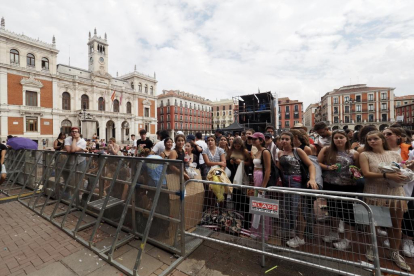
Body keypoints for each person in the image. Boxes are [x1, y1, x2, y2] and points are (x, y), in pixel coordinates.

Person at [360, 131, 410, 271]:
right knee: (373, 223)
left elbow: (403, 169)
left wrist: (405, 174)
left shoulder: (394, 154)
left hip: (395, 192)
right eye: (369, 139)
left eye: (375, 138)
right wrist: (387, 175)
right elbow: (366, 174)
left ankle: (394, 253)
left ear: (382, 140)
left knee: (396, 224)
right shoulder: (365, 155)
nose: (372, 141)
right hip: (374, 192)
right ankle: (372, 247)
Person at [318, 130, 359, 250]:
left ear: (346, 139)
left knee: (348, 213)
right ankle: (333, 232)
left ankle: (347, 239)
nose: (338, 140)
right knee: (332, 210)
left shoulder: (354, 153)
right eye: (336, 138)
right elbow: (318, 162)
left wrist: (355, 172)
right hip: (330, 184)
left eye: (341, 137)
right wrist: (328, 167)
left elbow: (358, 169)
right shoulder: (326, 150)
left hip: (348, 186)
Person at [278, 132, 317, 248]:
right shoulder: (280, 153)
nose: (284, 141)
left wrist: (313, 179)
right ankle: (293, 231)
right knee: (288, 208)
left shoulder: (298, 151)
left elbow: (311, 165)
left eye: (286, 139)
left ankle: (300, 237)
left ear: (291, 141)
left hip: (297, 182)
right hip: (286, 182)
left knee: (299, 209)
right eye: (282, 139)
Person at [249, 132, 273, 240]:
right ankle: (256, 229)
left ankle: (263, 232)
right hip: (256, 177)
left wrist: (263, 186)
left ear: (261, 140)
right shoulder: (258, 151)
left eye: (255, 139)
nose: (253, 141)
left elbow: (268, 169)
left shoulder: (265, 151)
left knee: (262, 204)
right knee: (257, 204)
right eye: (252, 139)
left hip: (261, 178)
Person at [226, 137, 251, 229]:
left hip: (242, 175)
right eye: (235, 145)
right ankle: (236, 217)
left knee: (243, 196)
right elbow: (227, 161)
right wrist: (231, 162)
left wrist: (242, 162)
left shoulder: (244, 151)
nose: (237, 147)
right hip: (233, 175)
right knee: (235, 195)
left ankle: (244, 218)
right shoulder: (230, 150)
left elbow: (249, 162)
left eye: (238, 146)